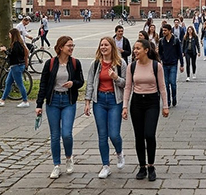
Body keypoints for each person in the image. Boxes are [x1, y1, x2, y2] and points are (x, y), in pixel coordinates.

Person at [36, 36, 85, 179]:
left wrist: (73, 83)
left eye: (72, 45)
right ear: (61, 47)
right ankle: (56, 165)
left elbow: (80, 81)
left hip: (68, 101)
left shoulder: (75, 63)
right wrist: (39, 105)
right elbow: (43, 85)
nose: (71, 48)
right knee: (55, 135)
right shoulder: (50, 63)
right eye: (69, 46)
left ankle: (69, 158)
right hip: (53, 101)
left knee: (67, 134)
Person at [122, 39, 168, 182]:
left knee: (149, 134)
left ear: (146, 50)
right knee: (139, 136)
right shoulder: (132, 66)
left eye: (138, 48)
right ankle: (142, 166)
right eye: (134, 49)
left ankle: (151, 165)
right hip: (137, 102)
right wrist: (124, 106)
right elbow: (128, 87)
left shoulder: (156, 66)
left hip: (152, 102)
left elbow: (162, 87)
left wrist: (165, 106)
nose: (135, 51)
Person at [84, 36, 127, 179]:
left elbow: (126, 84)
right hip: (100, 101)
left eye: (106, 45)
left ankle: (119, 153)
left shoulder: (121, 63)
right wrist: (87, 102)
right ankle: (105, 165)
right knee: (102, 135)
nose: (103, 47)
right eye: (101, 45)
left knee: (114, 134)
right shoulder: (96, 64)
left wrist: (116, 78)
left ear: (112, 47)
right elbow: (90, 83)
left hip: (115, 101)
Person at [0, 28, 30, 108]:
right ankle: (2, 100)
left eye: (10, 34)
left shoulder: (16, 44)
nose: (9, 36)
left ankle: (25, 101)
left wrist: (5, 51)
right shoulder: (19, 43)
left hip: (16, 66)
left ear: (13, 35)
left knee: (20, 84)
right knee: (8, 82)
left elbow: (12, 55)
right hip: (16, 66)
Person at [157, 24, 184, 107]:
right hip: (165, 64)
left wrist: (182, 64)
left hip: (173, 64)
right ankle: (168, 100)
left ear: (169, 31)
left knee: (173, 83)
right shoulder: (161, 41)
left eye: (165, 30)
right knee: (166, 83)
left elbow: (179, 53)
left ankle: (174, 97)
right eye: (163, 30)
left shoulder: (175, 40)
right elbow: (160, 53)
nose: (163, 32)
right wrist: (161, 60)